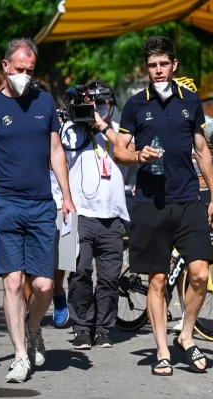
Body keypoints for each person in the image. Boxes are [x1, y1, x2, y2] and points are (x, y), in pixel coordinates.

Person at [0, 38, 75, 383]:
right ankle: (20, 356)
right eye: (19, 69)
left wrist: (67, 196)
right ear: (5, 66)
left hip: (41, 205)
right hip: (4, 204)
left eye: (30, 70)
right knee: (13, 281)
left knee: (43, 286)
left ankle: (34, 328)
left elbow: (56, 152)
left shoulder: (45, 101)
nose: (25, 75)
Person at [113, 35, 213, 376]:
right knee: (157, 280)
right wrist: (137, 155)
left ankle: (185, 336)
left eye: (163, 64)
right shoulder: (135, 104)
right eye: (152, 65)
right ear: (146, 69)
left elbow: (202, 150)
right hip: (150, 201)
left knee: (200, 274)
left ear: (174, 65)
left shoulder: (191, 101)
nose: (158, 70)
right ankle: (162, 349)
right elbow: (119, 150)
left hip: (188, 198)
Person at [58, 80, 131, 349]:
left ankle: (103, 329)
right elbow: (52, 155)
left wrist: (102, 126)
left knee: (110, 278)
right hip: (78, 214)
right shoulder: (70, 131)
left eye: (102, 103)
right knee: (79, 273)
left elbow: (128, 150)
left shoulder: (120, 133)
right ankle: (81, 328)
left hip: (113, 216)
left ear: (111, 105)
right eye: (92, 104)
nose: (97, 108)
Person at [172, 114, 213, 333]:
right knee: (181, 260)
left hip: (209, 195)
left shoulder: (212, 126)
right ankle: (186, 316)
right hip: (182, 194)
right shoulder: (171, 120)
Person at [23, 80, 70, 328]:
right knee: (27, 266)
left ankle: (59, 292)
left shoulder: (62, 126)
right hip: (33, 202)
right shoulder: (22, 127)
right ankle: (29, 308)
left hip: (62, 200)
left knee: (63, 258)